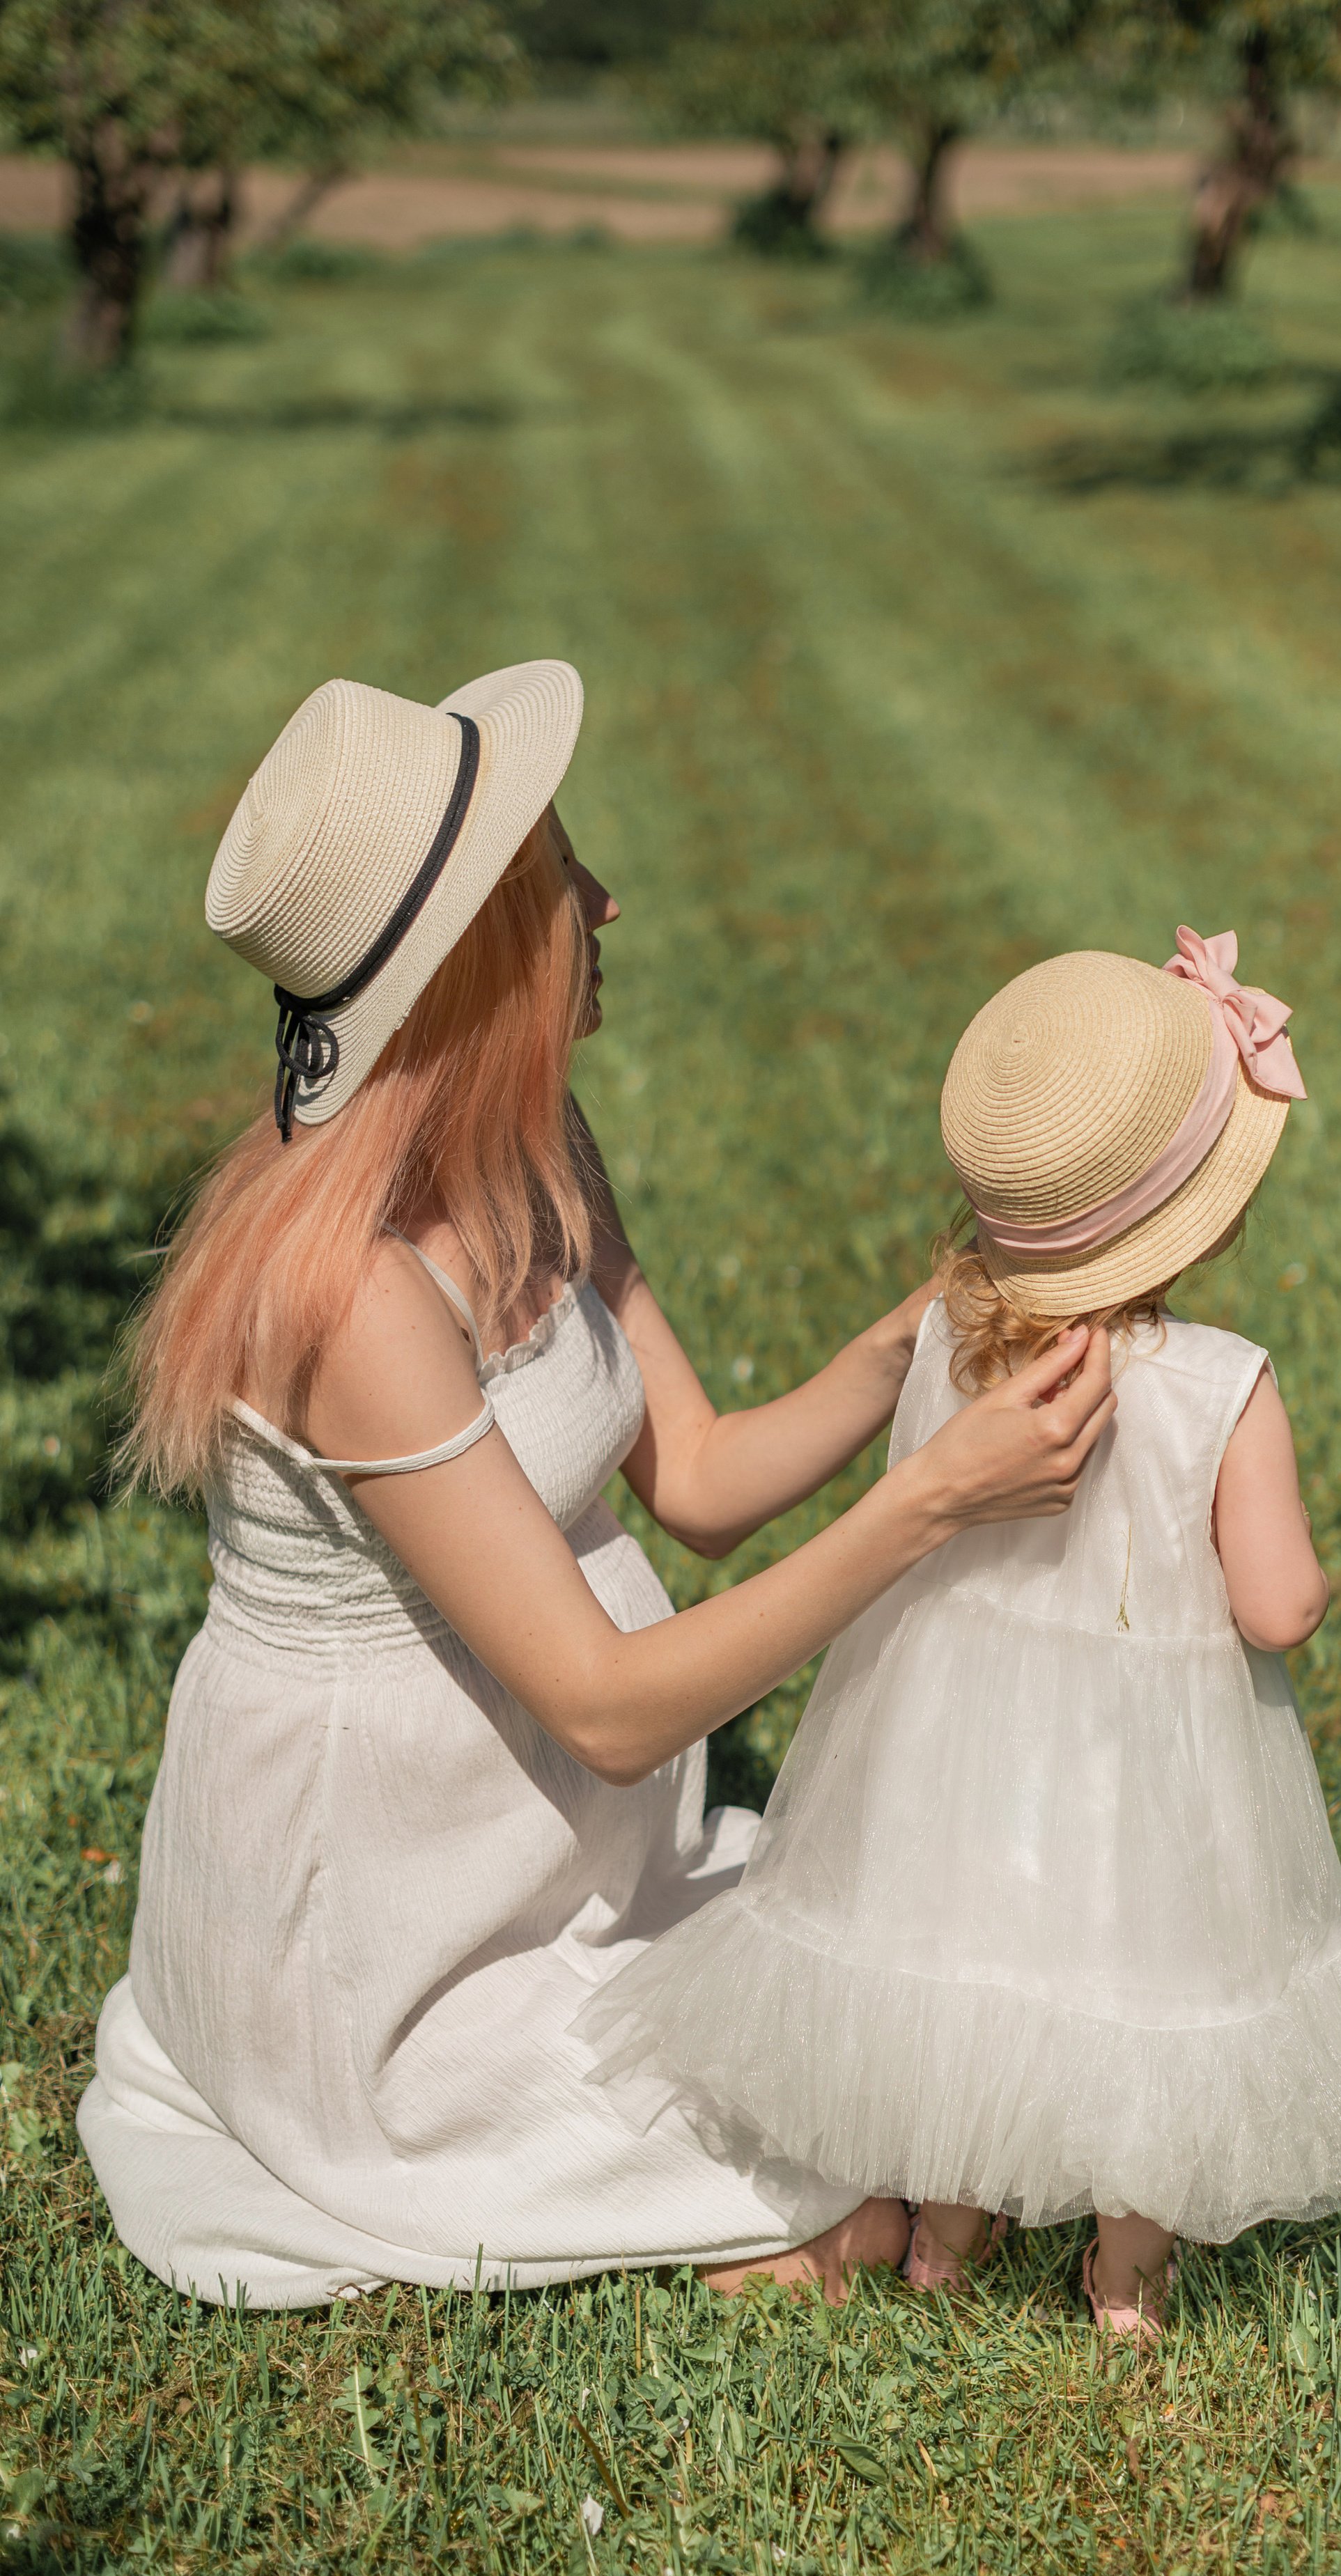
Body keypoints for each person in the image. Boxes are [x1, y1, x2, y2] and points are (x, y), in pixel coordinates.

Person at [76, 660, 1116, 2310]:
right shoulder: (354, 1295)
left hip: (561, 1854)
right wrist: (930, 1501)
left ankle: (760, 2179)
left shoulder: (534, 1148)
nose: (607, 898)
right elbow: (609, 1706)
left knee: (941, 1987)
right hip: (389, 1927)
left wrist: (932, 1323)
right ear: (486, 959)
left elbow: (694, 1476)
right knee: (852, 2142)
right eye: (568, 883)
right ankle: (707, 2208)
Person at [573, 932, 1341, 2336]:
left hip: (954, 1744)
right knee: (1141, 1971)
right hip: (1141, 1766)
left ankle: (943, 2223)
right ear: (1201, 1216)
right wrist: (1305, 1597)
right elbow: (1276, 1600)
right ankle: (1125, 2274)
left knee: (962, 1947)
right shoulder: (1222, 1384)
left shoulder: (942, 1344)